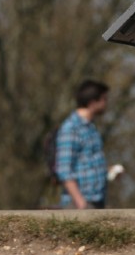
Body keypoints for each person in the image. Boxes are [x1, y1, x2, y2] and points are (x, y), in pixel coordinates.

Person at [55, 80, 110, 209]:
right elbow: (64, 169)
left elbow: (89, 162)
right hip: (79, 203)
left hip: (96, 200)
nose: (106, 103)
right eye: (104, 99)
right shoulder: (71, 128)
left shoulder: (91, 128)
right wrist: (80, 201)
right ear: (92, 102)